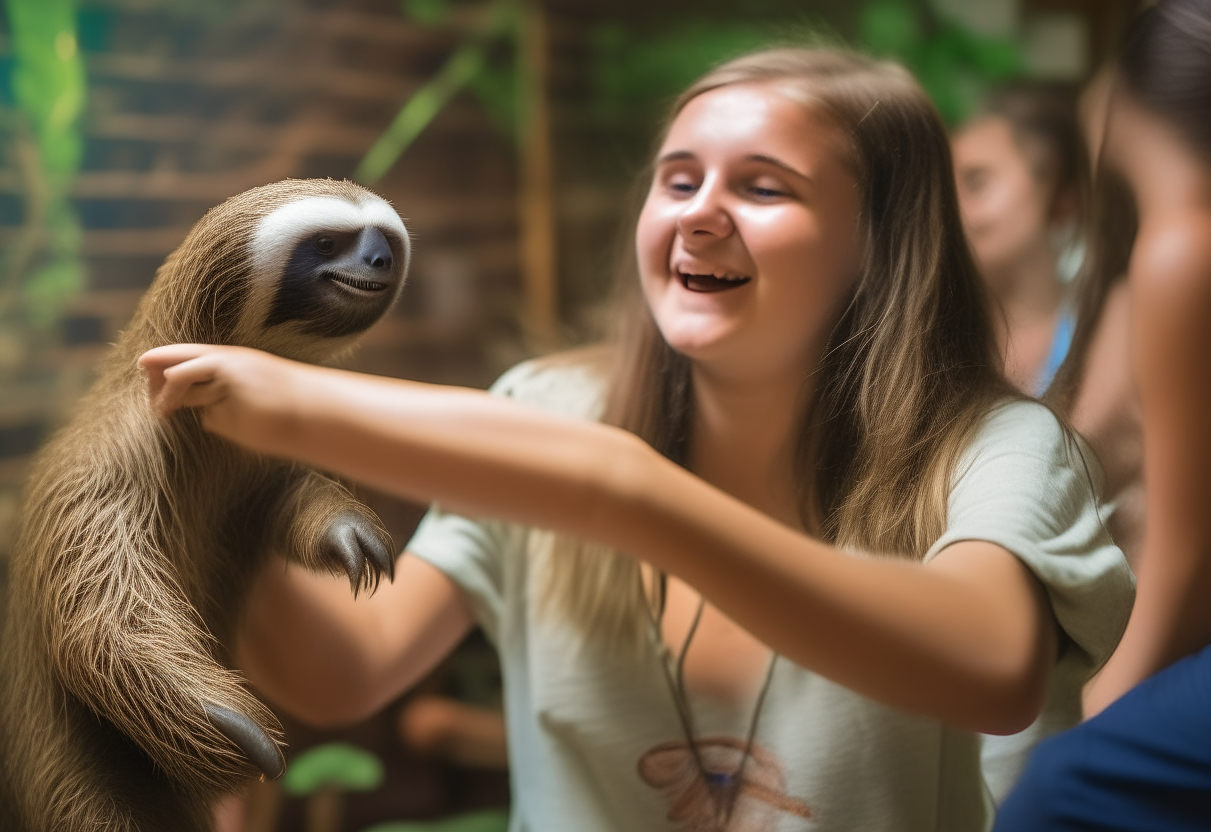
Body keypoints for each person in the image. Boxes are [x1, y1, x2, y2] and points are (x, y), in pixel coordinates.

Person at [141, 48, 1133, 832]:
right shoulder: (546, 410)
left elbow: (993, 666)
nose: (700, 212)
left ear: (880, 244)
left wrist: (624, 488)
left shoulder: (996, 448)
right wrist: (223, 475)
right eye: (678, 179)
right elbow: (341, 667)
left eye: (764, 186)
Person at [993, 1, 1211, 828]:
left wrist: (1108, 711)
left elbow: (1190, 550)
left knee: (1056, 795)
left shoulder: (1184, 246)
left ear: (1127, 90)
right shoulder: (1150, 262)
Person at [952, 83, 1086, 395]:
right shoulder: (927, 337)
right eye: (947, 187)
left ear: (1063, 200)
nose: (951, 207)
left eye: (976, 183)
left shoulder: (1106, 337)